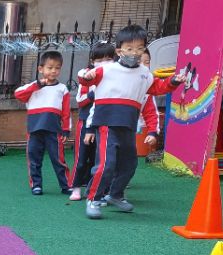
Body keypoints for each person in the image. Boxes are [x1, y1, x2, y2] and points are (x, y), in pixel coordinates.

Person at [78, 24, 185, 219]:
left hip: (128, 126)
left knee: (129, 164)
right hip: (107, 124)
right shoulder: (106, 69)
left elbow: (159, 88)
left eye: (139, 48)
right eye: (129, 48)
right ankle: (93, 199)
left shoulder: (144, 74)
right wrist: (87, 76)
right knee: (106, 164)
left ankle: (115, 195)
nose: (134, 53)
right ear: (119, 50)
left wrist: (174, 81)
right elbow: (85, 80)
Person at [13, 50, 71, 196]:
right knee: (34, 159)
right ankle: (36, 185)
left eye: (57, 68)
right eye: (50, 67)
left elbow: (66, 112)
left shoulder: (62, 89)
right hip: (34, 130)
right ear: (40, 69)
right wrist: (38, 85)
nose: (53, 71)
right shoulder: (33, 86)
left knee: (59, 160)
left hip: (54, 130)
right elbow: (18, 94)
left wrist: (66, 129)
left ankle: (66, 185)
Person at [68, 43, 115, 201]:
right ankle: (75, 187)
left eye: (108, 59)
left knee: (101, 159)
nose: (104, 63)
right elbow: (80, 101)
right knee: (81, 157)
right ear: (92, 61)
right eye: (99, 60)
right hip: (85, 121)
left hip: (105, 122)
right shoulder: (87, 76)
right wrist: (93, 94)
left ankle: (101, 190)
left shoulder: (116, 75)